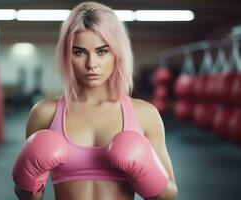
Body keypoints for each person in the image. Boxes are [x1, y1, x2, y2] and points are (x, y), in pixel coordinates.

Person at [12, 1, 178, 200]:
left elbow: (168, 195)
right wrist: (28, 183)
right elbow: (27, 197)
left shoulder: (144, 114)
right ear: (67, 55)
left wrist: (145, 173)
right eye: (79, 52)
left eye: (102, 51)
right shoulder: (45, 113)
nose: (91, 64)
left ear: (117, 53)